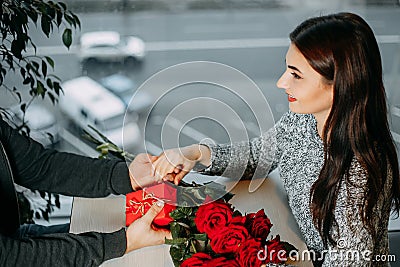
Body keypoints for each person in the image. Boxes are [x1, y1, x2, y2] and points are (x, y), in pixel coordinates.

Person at [152, 12, 400, 266]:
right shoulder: (302, 120)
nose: (282, 82)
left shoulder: (358, 174)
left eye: (296, 75)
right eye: (287, 68)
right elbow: (259, 156)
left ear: (341, 85)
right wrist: (197, 154)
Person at [0, 117, 170, 266]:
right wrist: (124, 243)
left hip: (14, 236)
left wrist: (127, 176)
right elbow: (13, 258)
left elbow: (38, 166)